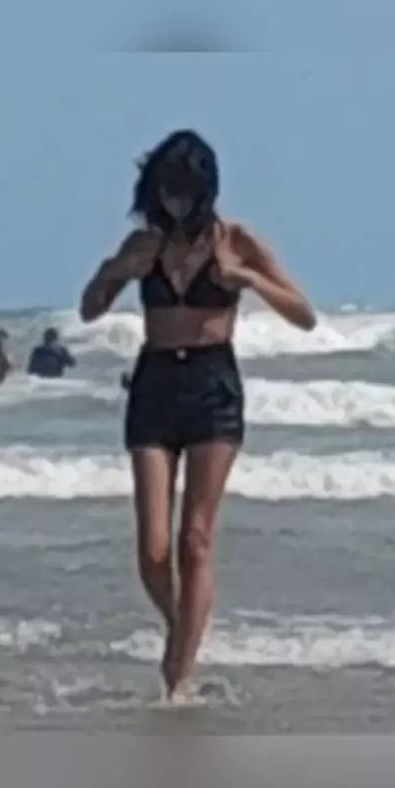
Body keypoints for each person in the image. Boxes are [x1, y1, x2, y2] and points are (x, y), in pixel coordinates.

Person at [79, 129, 317, 701]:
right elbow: (89, 311)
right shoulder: (144, 242)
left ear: (205, 190)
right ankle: (182, 629)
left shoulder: (236, 241)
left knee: (196, 541)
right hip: (154, 385)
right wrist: (115, 271)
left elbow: (304, 315)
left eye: (185, 192)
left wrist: (249, 279)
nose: (175, 202)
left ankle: (178, 678)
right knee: (153, 552)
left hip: (213, 386)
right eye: (167, 191)